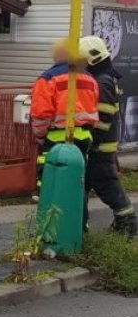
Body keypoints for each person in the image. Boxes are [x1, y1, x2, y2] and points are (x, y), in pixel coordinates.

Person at [79, 36, 138, 236]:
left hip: (99, 147)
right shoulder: (104, 78)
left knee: (107, 187)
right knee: (87, 186)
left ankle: (127, 223)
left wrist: (88, 135)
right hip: (99, 147)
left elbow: (102, 118)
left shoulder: (101, 81)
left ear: (91, 59)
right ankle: (82, 224)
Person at [31, 38, 99, 195]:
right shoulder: (90, 78)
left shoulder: (48, 78)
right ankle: (80, 218)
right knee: (77, 182)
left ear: (57, 55)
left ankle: (51, 215)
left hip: (56, 139)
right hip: (84, 137)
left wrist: (40, 136)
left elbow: (40, 114)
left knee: (51, 181)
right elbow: (94, 109)